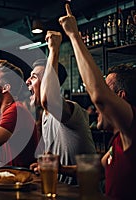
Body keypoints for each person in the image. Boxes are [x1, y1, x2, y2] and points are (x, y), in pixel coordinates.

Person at [59, 3, 136, 199]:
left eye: (107, 90)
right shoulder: (119, 139)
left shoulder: (132, 129)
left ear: (121, 99)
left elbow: (99, 96)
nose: (96, 105)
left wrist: (74, 35)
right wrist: (59, 168)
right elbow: (99, 169)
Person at [27, 31, 96, 184]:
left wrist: (54, 49)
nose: (27, 81)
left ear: (48, 83)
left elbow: (49, 100)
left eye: (33, 77)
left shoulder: (70, 111)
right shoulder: (45, 115)